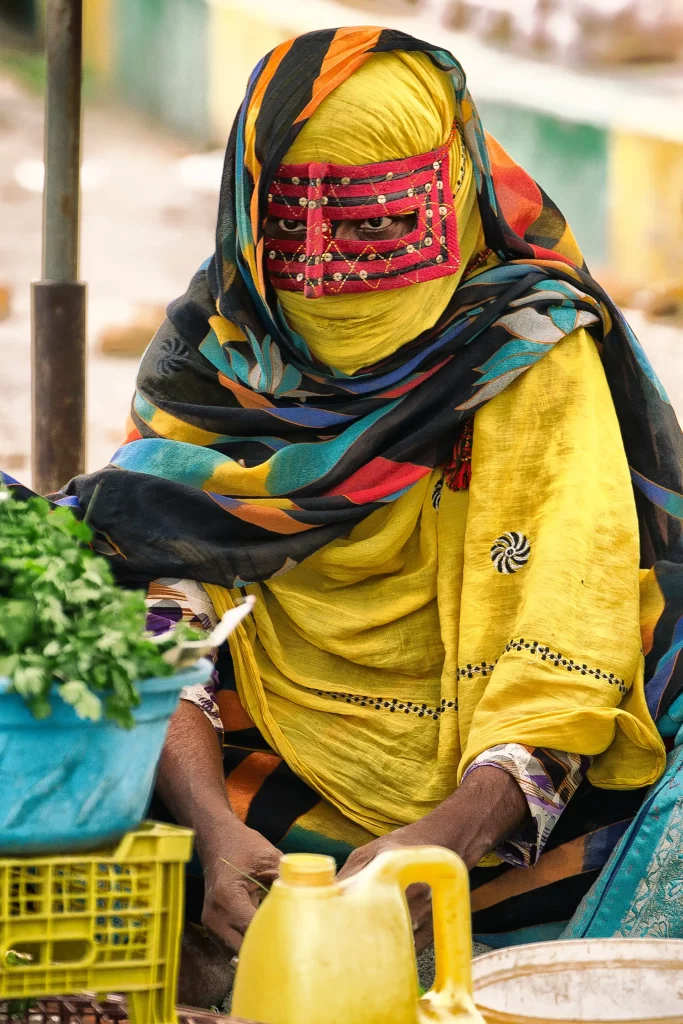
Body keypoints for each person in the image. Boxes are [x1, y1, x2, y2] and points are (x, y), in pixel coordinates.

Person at [55, 27, 683, 1005]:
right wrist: (214, 831)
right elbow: (165, 592)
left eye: (373, 231)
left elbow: (559, 636)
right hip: (265, 763)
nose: (324, 272)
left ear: (449, 194)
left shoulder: (521, 348)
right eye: (290, 232)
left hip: (513, 794)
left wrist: (448, 834)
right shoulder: (214, 355)